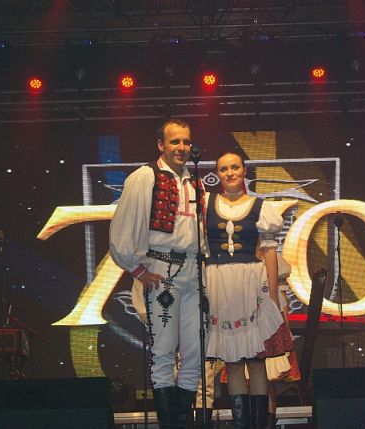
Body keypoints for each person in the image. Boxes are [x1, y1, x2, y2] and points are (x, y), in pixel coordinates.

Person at [110, 118, 206, 429]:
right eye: (175, 141)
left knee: (194, 352)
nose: (182, 147)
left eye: (186, 141)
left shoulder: (194, 181)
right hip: (162, 269)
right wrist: (139, 270)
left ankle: (183, 421)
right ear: (161, 144)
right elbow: (122, 229)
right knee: (164, 352)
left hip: (194, 271)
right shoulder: (145, 177)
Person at [204, 151, 293, 429]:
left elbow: (269, 251)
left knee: (255, 359)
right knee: (232, 361)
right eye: (223, 169)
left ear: (244, 170)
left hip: (251, 282)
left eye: (234, 167)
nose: (229, 173)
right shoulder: (206, 204)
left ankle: (259, 425)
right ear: (217, 174)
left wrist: (272, 295)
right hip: (219, 282)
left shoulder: (260, 206)